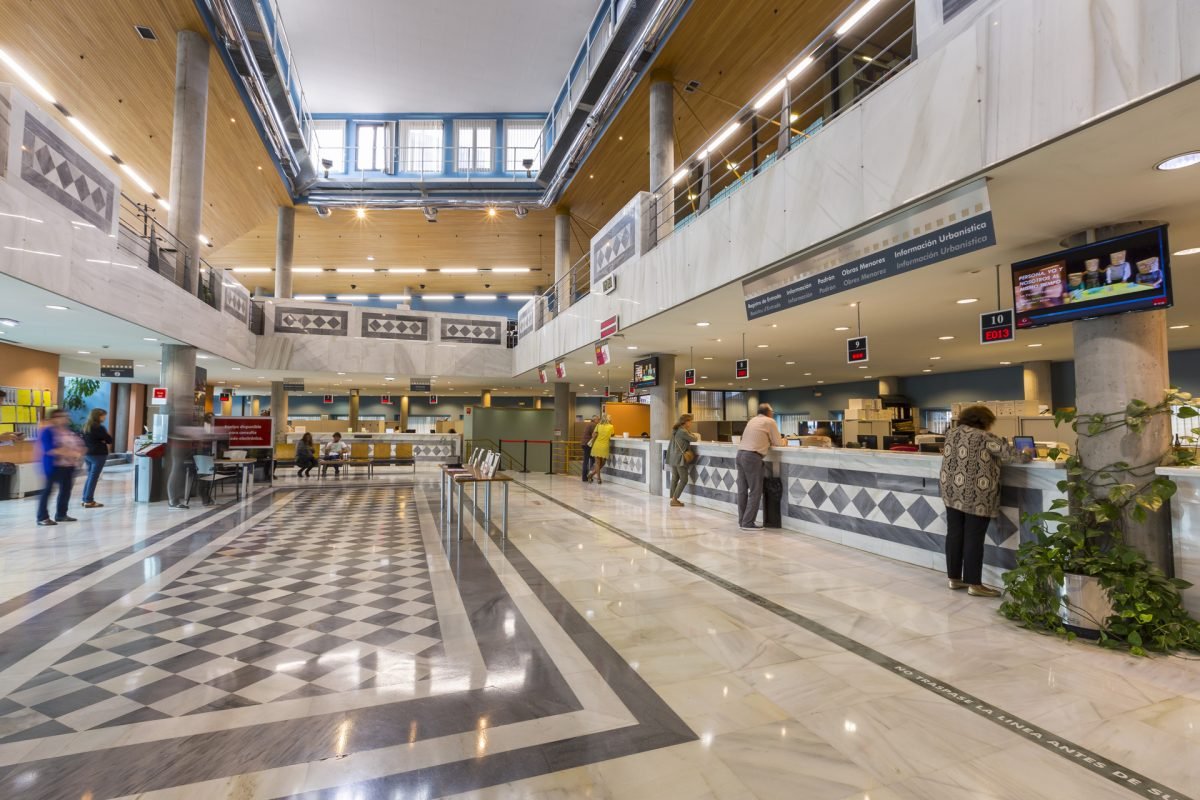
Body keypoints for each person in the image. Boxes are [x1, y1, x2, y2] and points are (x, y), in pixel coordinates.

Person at [940, 404, 1013, 597]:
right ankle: (974, 584)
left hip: (951, 490)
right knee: (974, 536)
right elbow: (1010, 455)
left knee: (954, 533)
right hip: (977, 494)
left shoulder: (951, 433)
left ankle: (954, 579)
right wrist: (1027, 452)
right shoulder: (984, 437)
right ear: (984, 421)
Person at [736, 403, 785, 530]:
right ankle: (748, 523)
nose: (773, 413)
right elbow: (778, 443)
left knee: (742, 490)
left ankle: (742, 521)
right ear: (768, 412)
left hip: (740, 454)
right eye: (772, 411)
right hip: (752, 456)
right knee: (755, 491)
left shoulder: (752, 420)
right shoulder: (770, 421)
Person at [36, 409, 83, 526]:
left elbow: (77, 444)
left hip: (68, 466)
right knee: (47, 491)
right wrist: (70, 453)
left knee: (65, 491)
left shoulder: (68, 431)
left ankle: (61, 514)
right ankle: (42, 517)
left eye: (66, 416)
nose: (65, 418)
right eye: (61, 416)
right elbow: (49, 449)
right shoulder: (47, 431)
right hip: (54, 466)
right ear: (53, 418)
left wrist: (79, 453)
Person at [81, 408, 113, 508]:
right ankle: (89, 500)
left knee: (90, 476)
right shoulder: (99, 428)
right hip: (98, 454)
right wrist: (103, 440)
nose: (105, 418)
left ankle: (85, 498)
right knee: (94, 477)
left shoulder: (85, 426)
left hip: (88, 454)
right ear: (98, 416)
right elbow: (109, 440)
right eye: (103, 416)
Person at [666, 413, 698, 507]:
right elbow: (694, 439)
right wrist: (691, 433)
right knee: (684, 479)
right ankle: (675, 499)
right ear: (686, 422)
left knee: (675, 478)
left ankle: (673, 498)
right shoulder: (683, 431)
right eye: (690, 421)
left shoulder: (676, 430)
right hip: (680, 458)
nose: (691, 423)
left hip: (673, 457)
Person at [586, 414, 615, 484]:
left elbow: (593, 435)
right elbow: (612, 434)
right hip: (604, 446)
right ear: (608, 420)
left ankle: (594, 476)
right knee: (603, 463)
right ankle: (594, 476)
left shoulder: (598, 425)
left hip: (597, 445)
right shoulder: (611, 426)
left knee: (597, 463)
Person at [580, 414, 599, 482]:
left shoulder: (589, 424)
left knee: (590, 460)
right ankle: (587, 476)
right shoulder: (593, 425)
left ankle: (587, 476)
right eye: (598, 419)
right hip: (588, 445)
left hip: (584, 444)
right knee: (590, 461)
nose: (598, 421)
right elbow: (595, 435)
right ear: (594, 420)